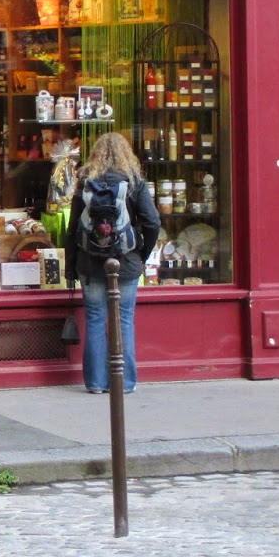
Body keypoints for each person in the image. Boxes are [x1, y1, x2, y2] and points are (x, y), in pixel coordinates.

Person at [64, 131, 161, 395]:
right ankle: (125, 382)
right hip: (126, 262)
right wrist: (141, 254)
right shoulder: (134, 181)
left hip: (90, 263)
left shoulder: (86, 182)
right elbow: (152, 222)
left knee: (95, 318)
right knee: (124, 319)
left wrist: (70, 267)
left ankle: (96, 383)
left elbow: (72, 229)